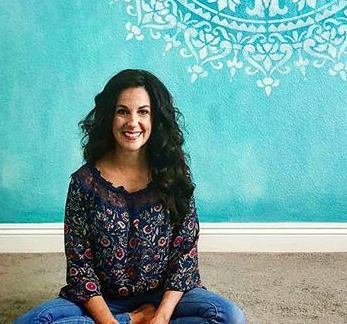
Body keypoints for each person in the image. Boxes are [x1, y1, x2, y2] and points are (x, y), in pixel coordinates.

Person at [15, 69, 246, 324]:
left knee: (229, 317)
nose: (132, 122)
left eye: (143, 112)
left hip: (164, 298)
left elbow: (184, 254)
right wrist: (119, 321)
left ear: (156, 118)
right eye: (122, 111)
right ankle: (135, 319)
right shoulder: (84, 183)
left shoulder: (173, 175)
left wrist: (161, 317)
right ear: (109, 117)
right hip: (100, 302)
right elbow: (80, 267)